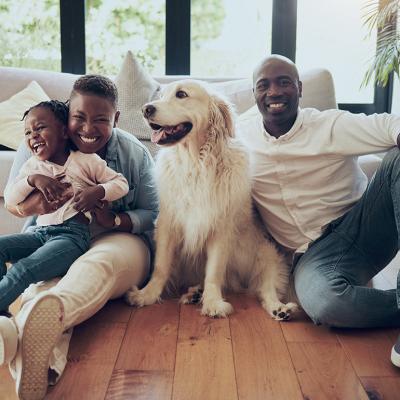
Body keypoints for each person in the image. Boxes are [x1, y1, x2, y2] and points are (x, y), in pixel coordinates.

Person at [0, 75, 158, 399]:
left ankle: (30, 326)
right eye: (79, 117)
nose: (88, 129)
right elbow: (13, 203)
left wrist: (113, 218)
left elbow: (154, 213)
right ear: (66, 117)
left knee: (94, 265)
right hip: (50, 233)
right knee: (40, 281)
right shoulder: (37, 146)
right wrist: (36, 200)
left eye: (101, 120)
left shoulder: (132, 152)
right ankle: (24, 347)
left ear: (115, 119)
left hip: (118, 238)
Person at [237, 54, 400, 367]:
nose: (274, 92)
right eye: (264, 85)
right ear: (254, 93)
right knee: (325, 304)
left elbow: (388, 124)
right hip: (313, 254)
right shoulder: (241, 134)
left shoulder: (329, 125)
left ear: (299, 89)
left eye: (284, 82)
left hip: (364, 225)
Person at [0, 100, 129, 319]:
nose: (33, 136)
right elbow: (11, 198)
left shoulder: (85, 161)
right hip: (39, 234)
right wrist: (33, 180)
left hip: (71, 238)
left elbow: (121, 184)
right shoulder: (32, 167)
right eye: (28, 132)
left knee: (23, 270)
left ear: (63, 131)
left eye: (40, 128)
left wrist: (97, 191)